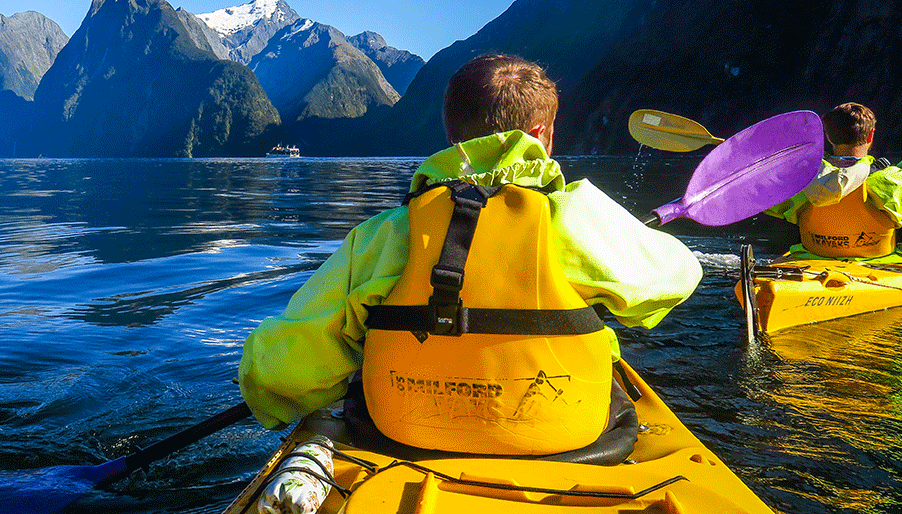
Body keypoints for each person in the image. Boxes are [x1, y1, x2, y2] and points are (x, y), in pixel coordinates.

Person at [238, 53, 702, 455]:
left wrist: (280, 401)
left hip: (402, 434)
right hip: (568, 437)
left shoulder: (381, 236)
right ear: (541, 135)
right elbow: (678, 277)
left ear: (450, 135)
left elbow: (280, 373)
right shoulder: (578, 219)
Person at [766, 102, 902, 259]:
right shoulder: (890, 181)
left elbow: (768, 203)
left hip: (812, 258)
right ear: (871, 135)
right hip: (879, 263)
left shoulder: (803, 181)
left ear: (828, 136)